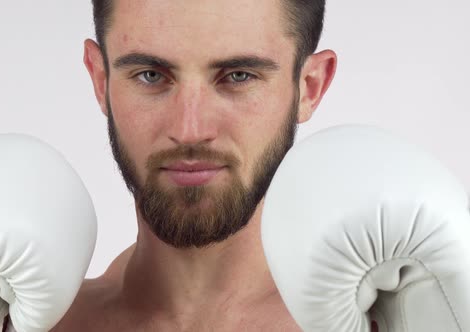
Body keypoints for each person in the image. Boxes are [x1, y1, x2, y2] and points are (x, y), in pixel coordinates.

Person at [53, 0, 338, 330]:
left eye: (238, 76)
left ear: (309, 87)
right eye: (150, 76)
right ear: (101, 79)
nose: (190, 131)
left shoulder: (370, 322)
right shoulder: (34, 324)